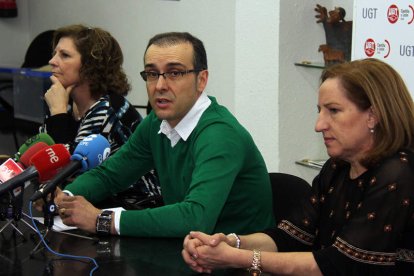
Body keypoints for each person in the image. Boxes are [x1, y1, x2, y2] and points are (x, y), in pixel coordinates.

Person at [182, 58, 414, 275]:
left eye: (333, 111)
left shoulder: (399, 173)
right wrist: (229, 242)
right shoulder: (337, 167)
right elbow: (289, 236)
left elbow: (338, 264)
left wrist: (238, 258)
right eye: (319, 111)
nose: (319, 125)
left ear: (373, 116)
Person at [53, 32, 275, 237]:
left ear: (202, 80)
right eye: (152, 74)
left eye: (175, 73)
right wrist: (67, 198)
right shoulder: (158, 122)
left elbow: (195, 218)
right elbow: (111, 174)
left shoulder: (220, 135)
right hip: (189, 252)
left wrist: (102, 220)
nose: (159, 85)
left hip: (239, 263)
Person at [40, 24, 161, 206]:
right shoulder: (62, 101)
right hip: (82, 209)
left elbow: (71, 172)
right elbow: (45, 160)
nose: (52, 61)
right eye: (55, 53)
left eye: (64, 55)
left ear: (90, 65)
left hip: (132, 210)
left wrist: (57, 114)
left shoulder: (110, 109)